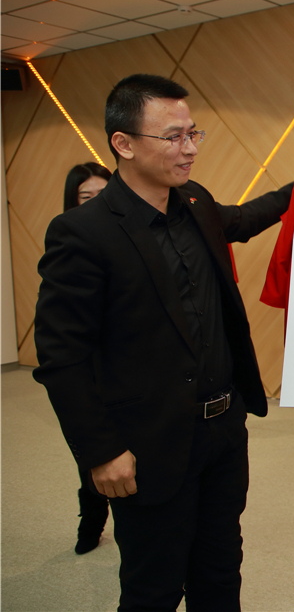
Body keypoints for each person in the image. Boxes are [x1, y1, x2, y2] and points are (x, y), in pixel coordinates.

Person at [34, 74, 293, 611]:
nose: (190, 148)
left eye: (193, 133)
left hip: (223, 431)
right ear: (123, 144)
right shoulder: (83, 232)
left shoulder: (195, 201)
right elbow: (62, 358)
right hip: (149, 443)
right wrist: (101, 451)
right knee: (153, 588)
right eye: (173, 137)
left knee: (220, 572)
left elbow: (245, 219)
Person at [61, 161, 115, 554]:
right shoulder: (70, 242)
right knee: (95, 459)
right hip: (92, 371)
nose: (96, 202)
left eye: (103, 194)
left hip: (132, 373)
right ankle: (91, 524)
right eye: (86, 197)